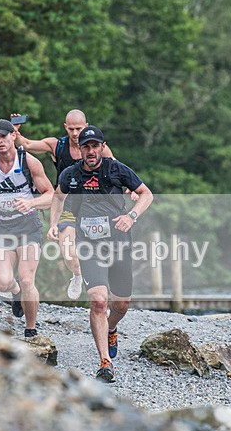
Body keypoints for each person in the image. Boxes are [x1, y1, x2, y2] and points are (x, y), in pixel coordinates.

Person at [49, 125, 153, 383]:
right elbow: (58, 197)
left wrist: (131, 216)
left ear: (103, 147)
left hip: (118, 243)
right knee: (98, 300)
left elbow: (146, 194)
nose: (91, 151)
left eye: (96, 146)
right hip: (89, 245)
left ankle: (112, 328)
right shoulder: (70, 174)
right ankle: (105, 363)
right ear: (81, 149)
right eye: (86, 146)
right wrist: (55, 223)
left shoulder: (117, 169)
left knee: (121, 304)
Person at [12, 109, 114, 301]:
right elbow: (25, 144)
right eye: (71, 129)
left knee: (99, 254)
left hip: (95, 209)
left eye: (79, 129)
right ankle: (77, 275)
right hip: (67, 207)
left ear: (86, 126)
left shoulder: (99, 148)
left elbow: (118, 170)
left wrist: (131, 189)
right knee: (68, 254)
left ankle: (102, 294)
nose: (75, 134)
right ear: (65, 127)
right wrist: (15, 131)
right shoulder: (57, 145)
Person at [0, 119, 53, 338]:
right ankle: (15, 293)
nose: (0, 141)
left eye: (3, 136)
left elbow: (50, 194)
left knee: (27, 279)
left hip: (28, 225)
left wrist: (31, 203)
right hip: (2, 226)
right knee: (2, 283)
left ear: (13, 136)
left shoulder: (29, 162)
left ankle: (30, 328)